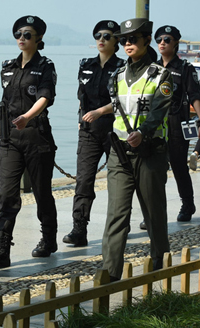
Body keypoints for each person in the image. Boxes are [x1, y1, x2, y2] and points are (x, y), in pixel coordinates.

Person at [101, 18, 172, 281]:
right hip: (119, 153)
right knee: (116, 215)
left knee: (154, 214)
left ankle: (160, 269)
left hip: (150, 153)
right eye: (123, 40)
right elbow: (116, 108)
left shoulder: (161, 75)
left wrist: (142, 133)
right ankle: (109, 277)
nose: (127, 44)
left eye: (133, 39)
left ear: (146, 40)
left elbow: (158, 111)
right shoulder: (117, 75)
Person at [0, 15, 58, 267]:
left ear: (38, 38)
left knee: (42, 193)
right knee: (7, 194)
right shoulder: (7, 66)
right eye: (18, 34)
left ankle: (48, 238)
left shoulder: (45, 66)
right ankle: (1, 247)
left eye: (27, 35)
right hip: (9, 139)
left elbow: (45, 97)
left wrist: (28, 117)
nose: (22, 38)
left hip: (36, 137)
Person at [63, 20, 124, 247]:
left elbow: (123, 101)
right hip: (89, 132)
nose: (101, 40)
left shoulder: (122, 67)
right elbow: (82, 97)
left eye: (107, 36)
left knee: (119, 181)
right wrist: (81, 119)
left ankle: (117, 228)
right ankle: (79, 229)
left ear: (117, 40)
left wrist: (100, 111)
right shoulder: (86, 65)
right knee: (84, 181)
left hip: (115, 131)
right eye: (98, 35)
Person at [154, 25, 200, 223]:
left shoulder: (185, 68)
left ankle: (187, 204)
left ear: (176, 42)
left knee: (178, 166)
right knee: (156, 169)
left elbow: (195, 96)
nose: (162, 43)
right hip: (155, 123)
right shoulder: (153, 67)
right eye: (159, 39)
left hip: (177, 122)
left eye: (167, 39)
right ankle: (155, 210)